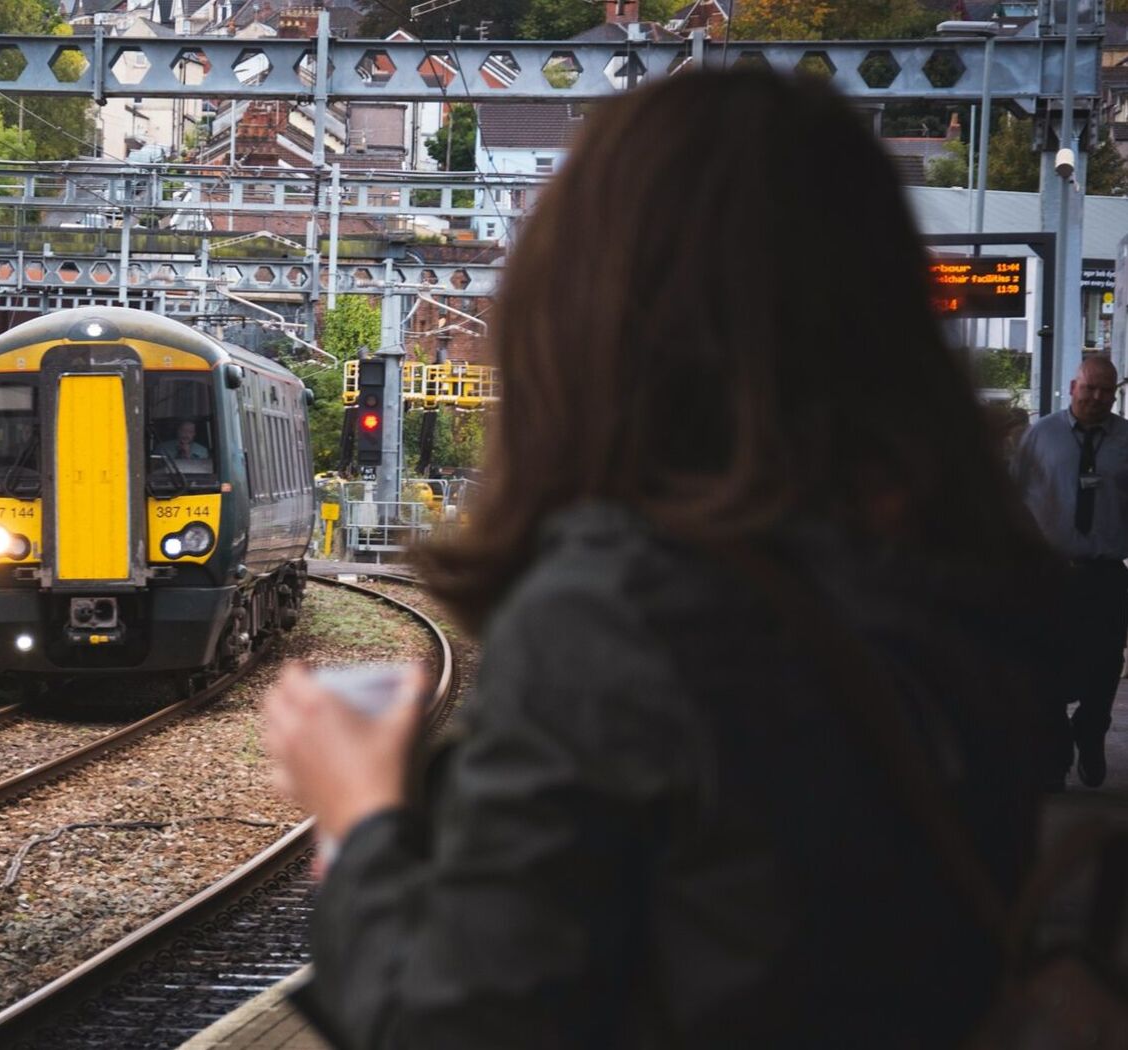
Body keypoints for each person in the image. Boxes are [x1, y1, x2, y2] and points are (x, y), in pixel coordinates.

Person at [264, 70, 1056, 1047]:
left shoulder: (620, 619)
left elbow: (453, 1024)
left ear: (596, 319)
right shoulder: (980, 588)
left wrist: (359, 819)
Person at [1013, 354, 1128, 789]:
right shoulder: (1040, 436)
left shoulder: (1124, 441)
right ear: (1072, 385)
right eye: (1090, 388)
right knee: (1045, 666)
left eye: (1107, 391)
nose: (1098, 397)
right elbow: (1015, 498)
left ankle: (1091, 730)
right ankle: (1056, 752)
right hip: (1050, 573)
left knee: (1104, 666)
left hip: (1105, 574)